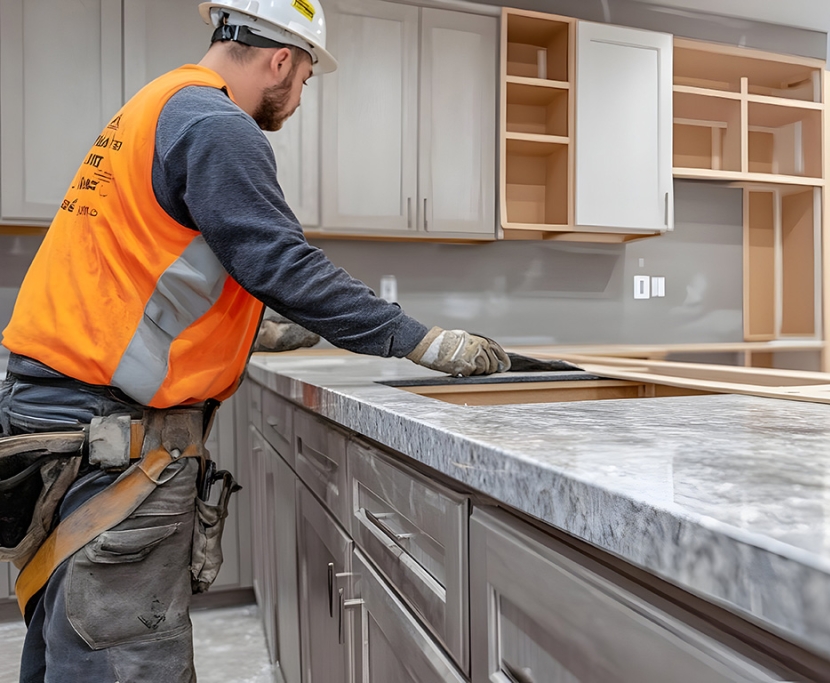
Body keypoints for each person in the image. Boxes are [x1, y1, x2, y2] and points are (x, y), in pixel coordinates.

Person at [0, 0, 508, 680]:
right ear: (281, 60)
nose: (299, 97)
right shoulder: (218, 125)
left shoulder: (156, 105)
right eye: (305, 79)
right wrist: (423, 341)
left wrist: (253, 330)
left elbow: (138, 272)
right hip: (110, 439)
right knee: (120, 659)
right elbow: (282, 264)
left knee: (70, 642)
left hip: (58, 418)